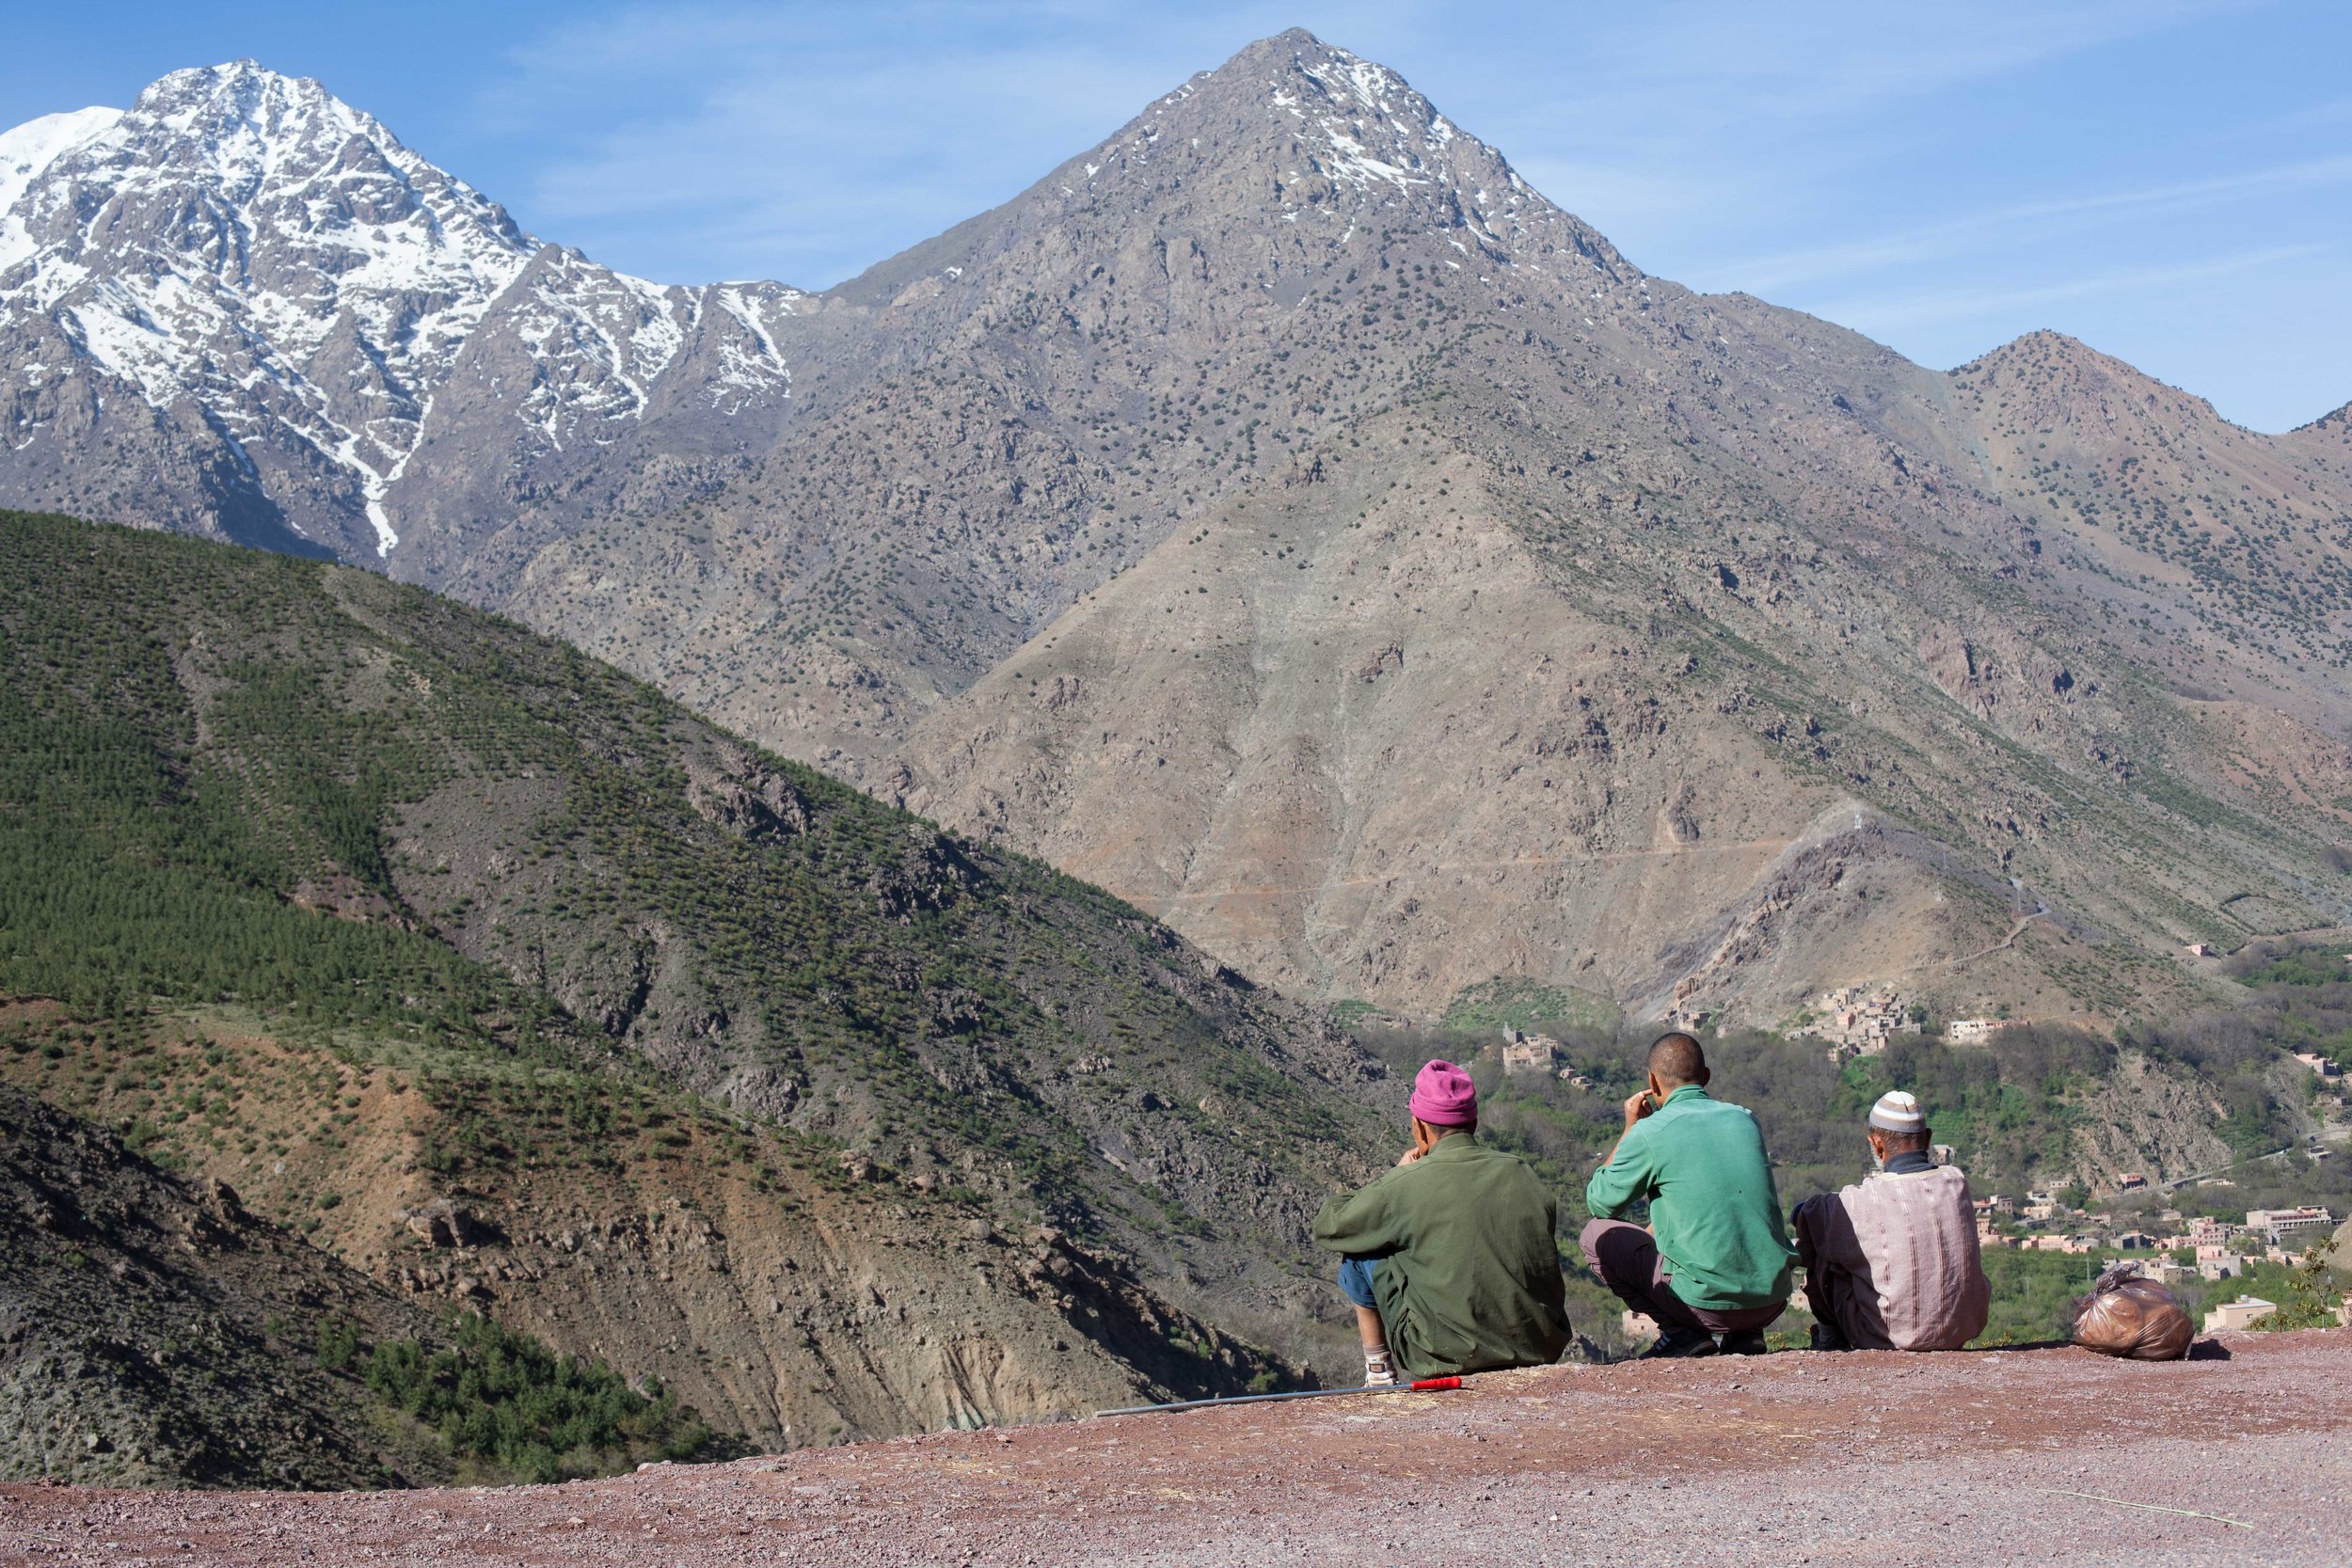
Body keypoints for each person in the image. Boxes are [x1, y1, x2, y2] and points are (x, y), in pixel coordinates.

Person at [1313, 1059, 1571, 1385]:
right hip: (1540, 1344)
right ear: (1473, 1123)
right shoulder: (1521, 1170)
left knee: (1362, 1243)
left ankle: (1378, 1372)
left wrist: (1394, 1176)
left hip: (1444, 1353)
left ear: (1419, 1127)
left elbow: (1330, 1225)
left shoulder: (1404, 1186)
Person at [1582, 1032, 1796, 1357]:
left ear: (1652, 1084)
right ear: (1706, 1076)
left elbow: (1600, 1201)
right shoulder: (1746, 1119)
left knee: (1594, 1234)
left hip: (1704, 1306)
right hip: (1770, 1300)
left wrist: (1630, 1129)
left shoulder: (1651, 1131)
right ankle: (1746, 1335)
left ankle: (1682, 1334)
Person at [1788, 1090, 1990, 1352]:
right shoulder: (1956, 1182)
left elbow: (1802, 1214)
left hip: (1889, 1337)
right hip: (1960, 1329)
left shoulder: (1862, 1199)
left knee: (1822, 1239)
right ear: (1927, 1138)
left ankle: (1829, 1337)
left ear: (1877, 1144)